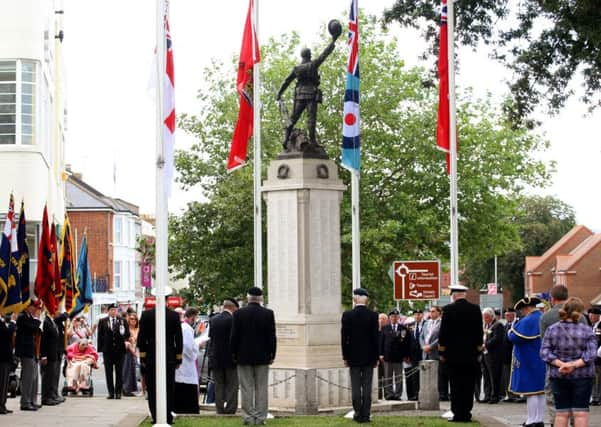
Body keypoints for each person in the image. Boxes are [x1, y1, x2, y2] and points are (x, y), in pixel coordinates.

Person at [276, 25, 341, 147]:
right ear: (309, 55)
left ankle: (285, 140)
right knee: (311, 118)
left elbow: (287, 81)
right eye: (310, 54)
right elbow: (324, 54)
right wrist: (333, 40)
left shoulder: (296, 69)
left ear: (302, 56)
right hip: (311, 94)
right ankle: (312, 141)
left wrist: (279, 93)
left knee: (293, 118)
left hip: (299, 95)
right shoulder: (313, 65)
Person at [540, 297, 597, 427]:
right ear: (580, 312)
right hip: (583, 376)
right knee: (580, 413)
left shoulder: (552, 329)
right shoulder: (587, 330)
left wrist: (562, 364)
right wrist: (573, 365)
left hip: (558, 375)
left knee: (561, 413)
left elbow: (544, 352)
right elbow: (591, 354)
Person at [231, 287, 277, 426]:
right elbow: (271, 336)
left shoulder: (239, 314)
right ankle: (261, 417)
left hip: (243, 356)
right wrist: (272, 353)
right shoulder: (268, 313)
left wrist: (234, 353)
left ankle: (248, 417)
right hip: (263, 356)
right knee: (261, 388)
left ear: (247, 298)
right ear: (261, 298)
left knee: (246, 388)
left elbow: (234, 337)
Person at [137, 286, 183, 425]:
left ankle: (156, 416)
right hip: (169, 356)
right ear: (168, 299)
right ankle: (167, 416)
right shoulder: (174, 315)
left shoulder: (146, 315)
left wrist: (143, 357)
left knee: (152, 388)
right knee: (169, 388)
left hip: (151, 356)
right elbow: (179, 339)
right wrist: (178, 357)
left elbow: (141, 339)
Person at [438, 284, 483, 423]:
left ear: (454, 295)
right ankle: (466, 413)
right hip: (470, 355)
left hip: (453, 356)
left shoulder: (448, 310)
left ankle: (457, 413)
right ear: (464, 294)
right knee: (468, 385)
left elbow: (443, 333)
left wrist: (442, 351)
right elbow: (479, 333)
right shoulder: (475, 309)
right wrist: (477, 350)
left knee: (456, 385)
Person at [341, 288, 379, 424]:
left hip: (353, 356)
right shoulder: (373, 316)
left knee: (356, 387)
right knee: (367, 387)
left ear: (355, 299)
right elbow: (376, 339)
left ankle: (358, 413)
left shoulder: (347, 315)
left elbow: (344, 338)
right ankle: (366, 415)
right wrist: (376, 357)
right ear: (366, 299)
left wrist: (345, 356)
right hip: (369, 357)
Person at [509, 296, 546, 427]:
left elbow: (515, 337)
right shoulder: (542, 316)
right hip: (541, 358)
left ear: (527, 308)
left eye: (522, 310)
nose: (522, 313)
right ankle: (539, 419)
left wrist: (510, 329)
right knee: (540, 391)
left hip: (529, 358)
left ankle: (531, 420)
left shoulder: (529, 319)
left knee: (531, 391)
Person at [209, 298, 240, 414]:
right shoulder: (233, 320)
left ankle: (219, 409)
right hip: (231, 358)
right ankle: (231, 410)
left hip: (216, 357)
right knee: (232, 386)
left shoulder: (213, 319)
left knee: (218, 386)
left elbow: (211, 339)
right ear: (233, 307)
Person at [97, 303, 130, 399]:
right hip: (108, 351)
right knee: (109, 372)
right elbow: (100, 336)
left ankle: (118, 392)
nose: (114, 311)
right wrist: (101, 349)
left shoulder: (122, 321)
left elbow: (127, 335)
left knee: (119, 372)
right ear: (108, 311)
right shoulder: (103, 321)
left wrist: (124, 333)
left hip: (120, 351)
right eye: (112, 310)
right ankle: (111, 393)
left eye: (115, 310)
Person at [15, 299, 42, 411]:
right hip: (25, 351)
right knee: (27, 377)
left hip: (32, 350)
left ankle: (31, 400)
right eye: (33, 307)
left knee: (34, 377)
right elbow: (33, 328)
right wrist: (36, 318)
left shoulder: (29, 317)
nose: (35, 309)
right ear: (26, 306)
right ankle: (25, 402)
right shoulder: (22, 317)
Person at [379, 308, 411, 400]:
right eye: (392, 316)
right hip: (387, 357)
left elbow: (406, 343)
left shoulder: (403, 328)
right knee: (387, 377)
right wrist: (380, 354)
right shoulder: (385, 328)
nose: (394, 318)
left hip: (398, 357)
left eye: (396, 316)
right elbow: (381, 342)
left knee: (398, 378)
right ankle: (389, 394)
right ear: (389, 318)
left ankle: (397, 395)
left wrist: (406, 355)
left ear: (399, 318)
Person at [174, 307, 200, 414]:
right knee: (187, 388)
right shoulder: (188, 329)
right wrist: (197, 347)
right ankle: (189, 410)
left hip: (182, 363)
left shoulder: (182, 327)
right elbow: (188, 347)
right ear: (192, 318)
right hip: (186, 363)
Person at [421, 305, 448, 401]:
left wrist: (430, 346)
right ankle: (429, 394)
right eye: (430, 311)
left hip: (436, 352)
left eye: (433, 311)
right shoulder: (426, 323)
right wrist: (423, 346)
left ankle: (442, 394)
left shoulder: (443, 323)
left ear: (439, 313)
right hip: (426, 352)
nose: (431, 313)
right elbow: (421, 336)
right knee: (428, 374)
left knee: (440, 375)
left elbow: (441, 337)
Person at [40, 311, 67, 405]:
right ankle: (46, 397)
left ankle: (52, 395)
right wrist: (43, 356)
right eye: (55, 310)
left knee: (52, 376)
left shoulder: (52, 322)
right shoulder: (46, 322)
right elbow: (43, 340)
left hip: (55, 353)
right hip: (48, 354)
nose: (58, 312)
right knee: (47, 378)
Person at [481, 307, 504, 404]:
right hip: (485, 354)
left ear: (492, 316)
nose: (485, 319)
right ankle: (487, 395)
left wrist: (485, 345)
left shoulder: (498, 325)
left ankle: (495, 396)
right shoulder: (485, 325)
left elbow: (497, 339)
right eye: (484, 317)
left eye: (486, 317)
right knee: (486, 376)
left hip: (494, 355)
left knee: (494, 376)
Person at [500, 307, 520, 402]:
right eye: (506, 315)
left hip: (514, 354)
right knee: (507, 376)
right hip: (505, 355)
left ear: (513, 315)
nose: (507, 317)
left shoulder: (516, 325)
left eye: (509, 315)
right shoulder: (506, 326)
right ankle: (509, 394)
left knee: (514, 375)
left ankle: (515, 394)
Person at [0, 313, 16, 415]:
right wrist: (13, 321)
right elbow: (8, 332)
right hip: (2, 357)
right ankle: (1, 405)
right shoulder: (2, 323)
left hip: (6, 357)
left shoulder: (3, 321)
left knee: (5, 383)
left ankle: (3, 404)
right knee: (2, 382)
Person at [406, 309, 424, 401]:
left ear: (422, 315)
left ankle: (424, 394)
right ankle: (416, 394)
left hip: (423, 354)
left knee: (424, 375)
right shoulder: (410, 326)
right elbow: (408, 342)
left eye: (419, 314)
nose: (417, 316)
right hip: (413, 355)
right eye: (416, 314)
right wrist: (407, 355)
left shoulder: (426, 324)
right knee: (414, 375)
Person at [122, 311, 140, 396]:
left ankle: (132, 389)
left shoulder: (138, 329)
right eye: (131, 319)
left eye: (135, 319)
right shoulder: (126, 329)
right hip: (128, 351)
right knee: (127, 370)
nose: (133, 321)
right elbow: (125, 340)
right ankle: (125, 389)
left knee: (133, 370)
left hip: (137, 350)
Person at [587, 307, 601, 406]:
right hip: (591, 356)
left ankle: (597, 397)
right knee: (593, 377)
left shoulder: (600, 325)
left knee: (598, 377)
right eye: (590, 315)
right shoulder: (591, 326)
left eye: (593, 315)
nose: (591, 317)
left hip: (598, 356)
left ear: (598, 316)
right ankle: (594, 397)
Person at [377, 313, 389, 400]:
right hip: (376, 359)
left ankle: (387, 394)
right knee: (377, 378)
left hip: (385, 358)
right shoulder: (374, 331)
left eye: (383, 319)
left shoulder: (388, 330)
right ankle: (378, 395)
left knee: (386, 377)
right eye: (379, 319)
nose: (381, 321)